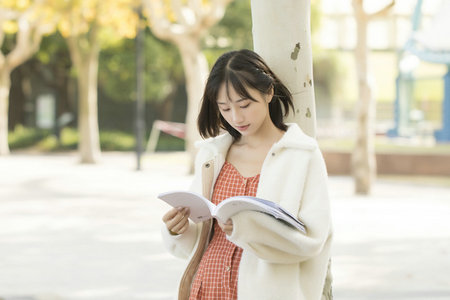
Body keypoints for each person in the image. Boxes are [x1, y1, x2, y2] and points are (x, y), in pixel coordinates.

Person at [161, 49, 333, 300]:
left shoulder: (301, 155)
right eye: (225, 108)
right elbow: (199, 242)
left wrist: (248, 228)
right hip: (205, 288)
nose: (236, 117)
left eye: (244, 104)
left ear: (268, 92)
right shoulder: (211, 154)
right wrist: (180, 229)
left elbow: (312, 241)